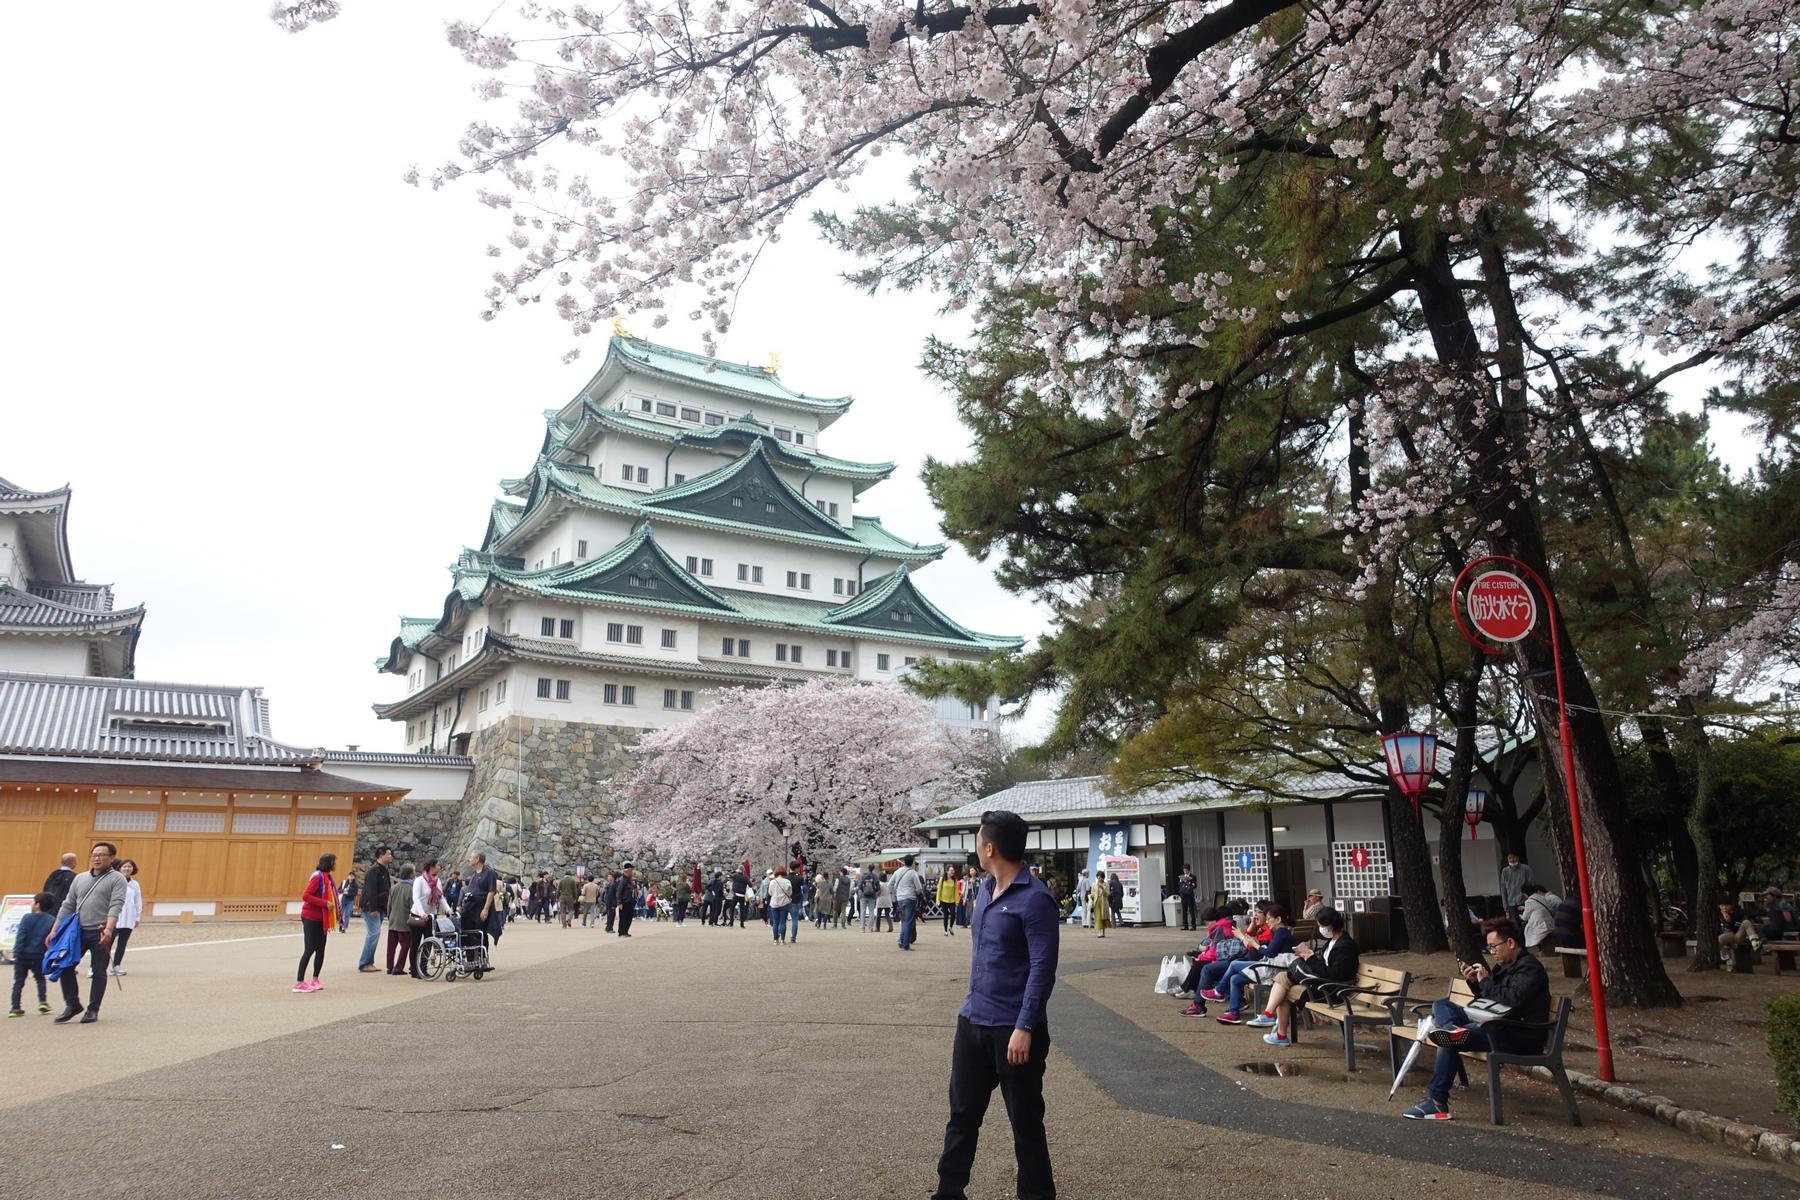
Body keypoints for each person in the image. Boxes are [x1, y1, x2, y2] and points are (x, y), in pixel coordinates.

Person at [932, 810, 1059, 1200]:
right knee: (962, 1117)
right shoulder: (986, 889)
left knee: (1025, 1123)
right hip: (972, 1021)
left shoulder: (1036, 899)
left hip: (1013, 1030)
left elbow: (1043, 968)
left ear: (989, 847)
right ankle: (949, 1193)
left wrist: (1025, 1026)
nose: (975, 847)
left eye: (977, 840)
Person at [1403, 917, 1550, 1120]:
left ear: (1510, 942)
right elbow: (1490, 1001)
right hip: (1495, 1024)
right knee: (1442, 1004)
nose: (1492, 952)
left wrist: (1487, 982)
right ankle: (1453, 1029)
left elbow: (1513, 1000)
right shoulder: (1504, 966)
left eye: (1494, 946)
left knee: (1450, 1040)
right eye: (1489, 947)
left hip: (1516, 1034)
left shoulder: (1530, 968)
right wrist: (1475, 983)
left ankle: (1437, 1102)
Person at [1244, 906, 1358, 1046]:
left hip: (1331, 989)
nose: (1320, 928)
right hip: (1321, 983)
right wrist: (1309, 956)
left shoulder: (1345, 946)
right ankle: (1272, 1022)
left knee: (1290, 975)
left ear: (1331, 925)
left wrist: (1310, 958)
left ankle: (1274, 1026)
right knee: (1282, 978)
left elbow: (1334, 974)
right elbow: (1323, 965)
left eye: (1322, 926)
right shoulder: (1331, 942)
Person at [1213, 905, 1298, 1023]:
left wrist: (1255, 944)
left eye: (1269, 919)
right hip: (1272, 966)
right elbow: (1271, 949)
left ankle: (1219, 991)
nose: (1267, 921)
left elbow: (1270, 953)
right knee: (1235, 979)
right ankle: (1233, 1014)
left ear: (1278, 920)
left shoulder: (1281, 933)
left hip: (1273, 970)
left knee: (1234, 964)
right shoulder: (1279, 932)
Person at [294, 853, 338, 994]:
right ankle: (299, 982)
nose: (335, 864)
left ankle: (315, 978)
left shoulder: (328, 878)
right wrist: (324, 903)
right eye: (334, 862)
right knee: (310, 948)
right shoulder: (317, 877)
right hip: (311, 917)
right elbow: (306, 896)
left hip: (322, 919)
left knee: (321, 949)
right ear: (329, 863)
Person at [8, 892, 56, 1017]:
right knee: (40, 978)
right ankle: (43, 1002)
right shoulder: (51, 920)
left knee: (18, 981)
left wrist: (17, 952)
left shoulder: (27, 918)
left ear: (37, 904)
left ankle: (15, 1007)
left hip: (23, 955)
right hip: (39, 955)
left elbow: (21, 936)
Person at [411, 859, 453, 977]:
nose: (439, 867)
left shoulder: (437, 881)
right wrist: (421, 913)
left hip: (431, 916)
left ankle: (423, 969)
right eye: (438, 865)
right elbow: (416, 898)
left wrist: (448, 910)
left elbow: (440, 897)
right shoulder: (419, 880)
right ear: (432, 867)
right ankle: (414, 970)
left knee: (428, 943)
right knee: (415, 943)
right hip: (418, 915)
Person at [359, 847, 393, 973]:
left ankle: (369, 962)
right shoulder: (374, 871)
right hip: (371, 907)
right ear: (381, 855)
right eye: (388, 854)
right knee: (373, 934)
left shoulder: (384, 871)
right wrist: (372, 908)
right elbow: (370, 891)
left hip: (379, 906)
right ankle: (365, 963)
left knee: (374, 934)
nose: (390, 856)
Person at [109, 859, 143, 977]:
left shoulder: (135, 884)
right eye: (124, 867)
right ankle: (97, 967)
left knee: (122, 943)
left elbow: (138, 901)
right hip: (114, 917)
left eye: (129, 867)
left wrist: (137, 917)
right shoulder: (114, 881)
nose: (127, 869)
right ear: (119, 868)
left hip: (128, 918)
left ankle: (116, 966)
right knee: (107, 942)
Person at [462, 851, 501, 953]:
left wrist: (485, 909)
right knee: (469, 931)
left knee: (481, 932)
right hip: (471, 907)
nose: (469, 859)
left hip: (482, 905)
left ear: (477, 859)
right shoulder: (474, 874)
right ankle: (471, 959)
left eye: (471, 857)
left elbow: (491, 891)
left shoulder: (489, 872)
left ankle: (483, 959)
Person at [386, 863, 418, 974]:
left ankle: (389, 967)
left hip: (393, 920)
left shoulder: (394, 887)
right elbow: (413, 906)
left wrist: (389, 916)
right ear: (410, 874)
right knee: (405, 945)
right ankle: (398, 967)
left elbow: (389, 905)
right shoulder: (411, 889)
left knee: (391, 945)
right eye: (414, 871)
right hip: (404, 922)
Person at [892, 854, 927, 950]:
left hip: (900, 899)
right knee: (908, 921)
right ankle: (905, 944)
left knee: (904, 920)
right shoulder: (913, 873)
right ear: (912, 862)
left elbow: (890, 884)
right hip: (910, 898)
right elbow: (919, 888)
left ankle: (901, 940)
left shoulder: (898, 871)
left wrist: (897, 892)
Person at [1520, 884, 1560, 952]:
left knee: (1523, 926)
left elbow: (1525, 917)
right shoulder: (1541, 897)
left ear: (1525, 893)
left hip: (1540, 925)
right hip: (1549, 922)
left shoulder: (1529, 901)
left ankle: (1525, 948)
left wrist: (1520, 915)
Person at [1500, 852, 1534, 925]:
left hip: (1525, 901)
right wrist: (1504, 903)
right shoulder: (1505, 871)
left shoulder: (1525, 868)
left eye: (1514, 857)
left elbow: (1531, 884)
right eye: (1510, 858)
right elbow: (1503, 888)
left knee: (1527, 923)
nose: (1512, 860)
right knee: (1515, 925)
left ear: (1518, 858)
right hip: (1511, 902)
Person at [767, 864, 795, 944]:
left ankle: (776, 940)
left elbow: (770, 893)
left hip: (774, 904)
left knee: (775, 922)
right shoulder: (787, 882)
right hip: (784, 904)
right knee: (783, 922)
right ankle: (782, 939)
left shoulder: (772, 882)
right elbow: (790, 893)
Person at [615, 864, 638, 937]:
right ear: (627, 871)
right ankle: (621, 932)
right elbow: (619, 892)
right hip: (624, 902)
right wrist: (619, 902)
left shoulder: (630, 880)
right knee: (623, 918)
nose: (632, 872)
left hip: (630, 901)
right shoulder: (622, 880)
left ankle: (625, 931)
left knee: (629, 917)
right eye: (631, 870)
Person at [939, 867, 962, 937]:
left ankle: (950, 927)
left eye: (953, 870)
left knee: (953, 914)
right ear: (947, 871)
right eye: (951, 870)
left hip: (952, 900)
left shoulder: (954, 880)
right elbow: (939, 890)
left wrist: (957, 900)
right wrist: (938, 900)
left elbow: (956, 891)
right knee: (945, 915)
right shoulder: (942, 879)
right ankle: (945, 930)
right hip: (943, 900)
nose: (953, 872)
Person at [1176, 865, 1198, 931]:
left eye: (1186, 870)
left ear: (1188, 870)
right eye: (1184, 870)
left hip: (1190, 895)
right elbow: (1179, 885)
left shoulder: (1193, 876)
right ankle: (1185, 925)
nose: (1185, 871)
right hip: (1183, 895)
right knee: (1184, 911)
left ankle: (1193, 925)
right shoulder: (1182, 877)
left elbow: (1194, 886)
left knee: (1191, 910)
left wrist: (1188, 882)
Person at [1090, 871, 1110, 938]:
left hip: (1103, 903)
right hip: (1096, 902)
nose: (1099, 878)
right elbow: (1092, 894)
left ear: (1103, 877)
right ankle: (1099, 932)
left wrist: (1102, 888)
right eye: (1098, 877)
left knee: (1103, 917)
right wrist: (1091, 898)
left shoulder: (1106, 884)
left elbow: (1107, 894)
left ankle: (1103, 932)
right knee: (1098, 918)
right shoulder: (1094, 885)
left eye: (1100, 877)